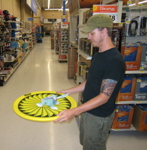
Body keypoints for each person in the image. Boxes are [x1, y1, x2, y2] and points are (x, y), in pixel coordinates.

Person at [53, 14, 125, 150]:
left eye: (92, 33)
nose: (89, 37)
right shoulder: (98, 54)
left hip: (99, 117)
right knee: (86, 144)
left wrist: (74, 111)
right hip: (87, 110)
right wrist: (67, 91)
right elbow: (91, 82)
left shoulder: (114, 61)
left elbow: (104, 97)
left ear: (104, 31)